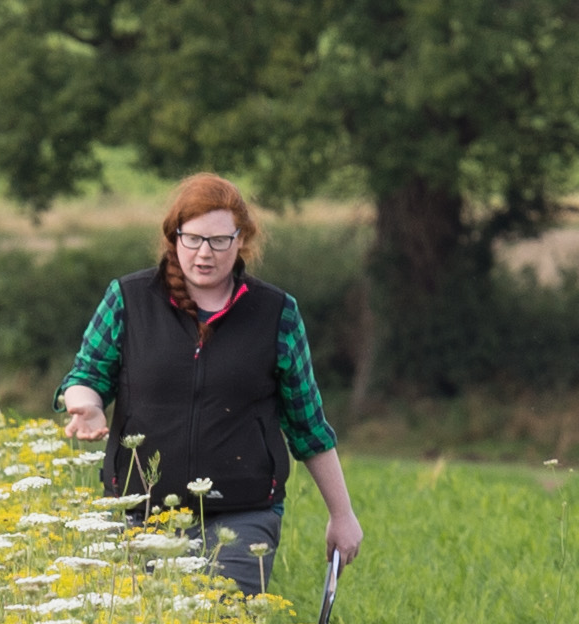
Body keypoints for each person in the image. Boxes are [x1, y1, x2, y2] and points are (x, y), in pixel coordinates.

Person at [55, 173, 365, 595]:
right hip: (138, 511)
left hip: (242, 515)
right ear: (173, 238)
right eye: (193, 239)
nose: (205, 253)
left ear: (241, 242)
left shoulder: (276, 313)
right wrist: (86, 405)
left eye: (220, 241)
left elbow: (308, 425)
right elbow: (85, 376)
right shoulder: (129, 298)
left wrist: (342, 515)